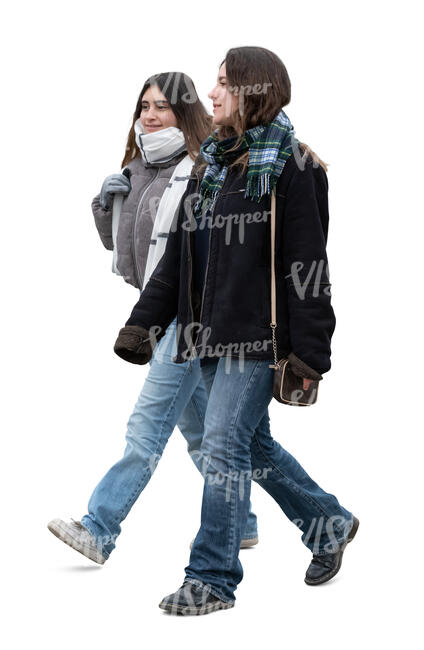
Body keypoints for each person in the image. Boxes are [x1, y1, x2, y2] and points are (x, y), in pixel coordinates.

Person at [113, 47, 359, 615]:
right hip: (206, 334)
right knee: (251, 444)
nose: (213, 93)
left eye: (223, 83)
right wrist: (142, 325)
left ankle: (213, 578)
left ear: (252, 90)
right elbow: (179, 260)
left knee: (223, 446)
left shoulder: (295, 168)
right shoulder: (210, 166)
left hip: (258, 340)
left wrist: (310, 354)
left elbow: (308, 266)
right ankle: (327, 521)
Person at [47, 71, 260, 565]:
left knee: (146, 428)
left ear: (184, 113)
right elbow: (119, 245)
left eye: (162, 106)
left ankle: (99, 528)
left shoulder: (199, 168)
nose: (150, 114)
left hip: (190, 317)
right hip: (157, 309)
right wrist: (106, 205)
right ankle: (243, 521)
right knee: (204, 434)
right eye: (144, 105)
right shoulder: (138, 168)